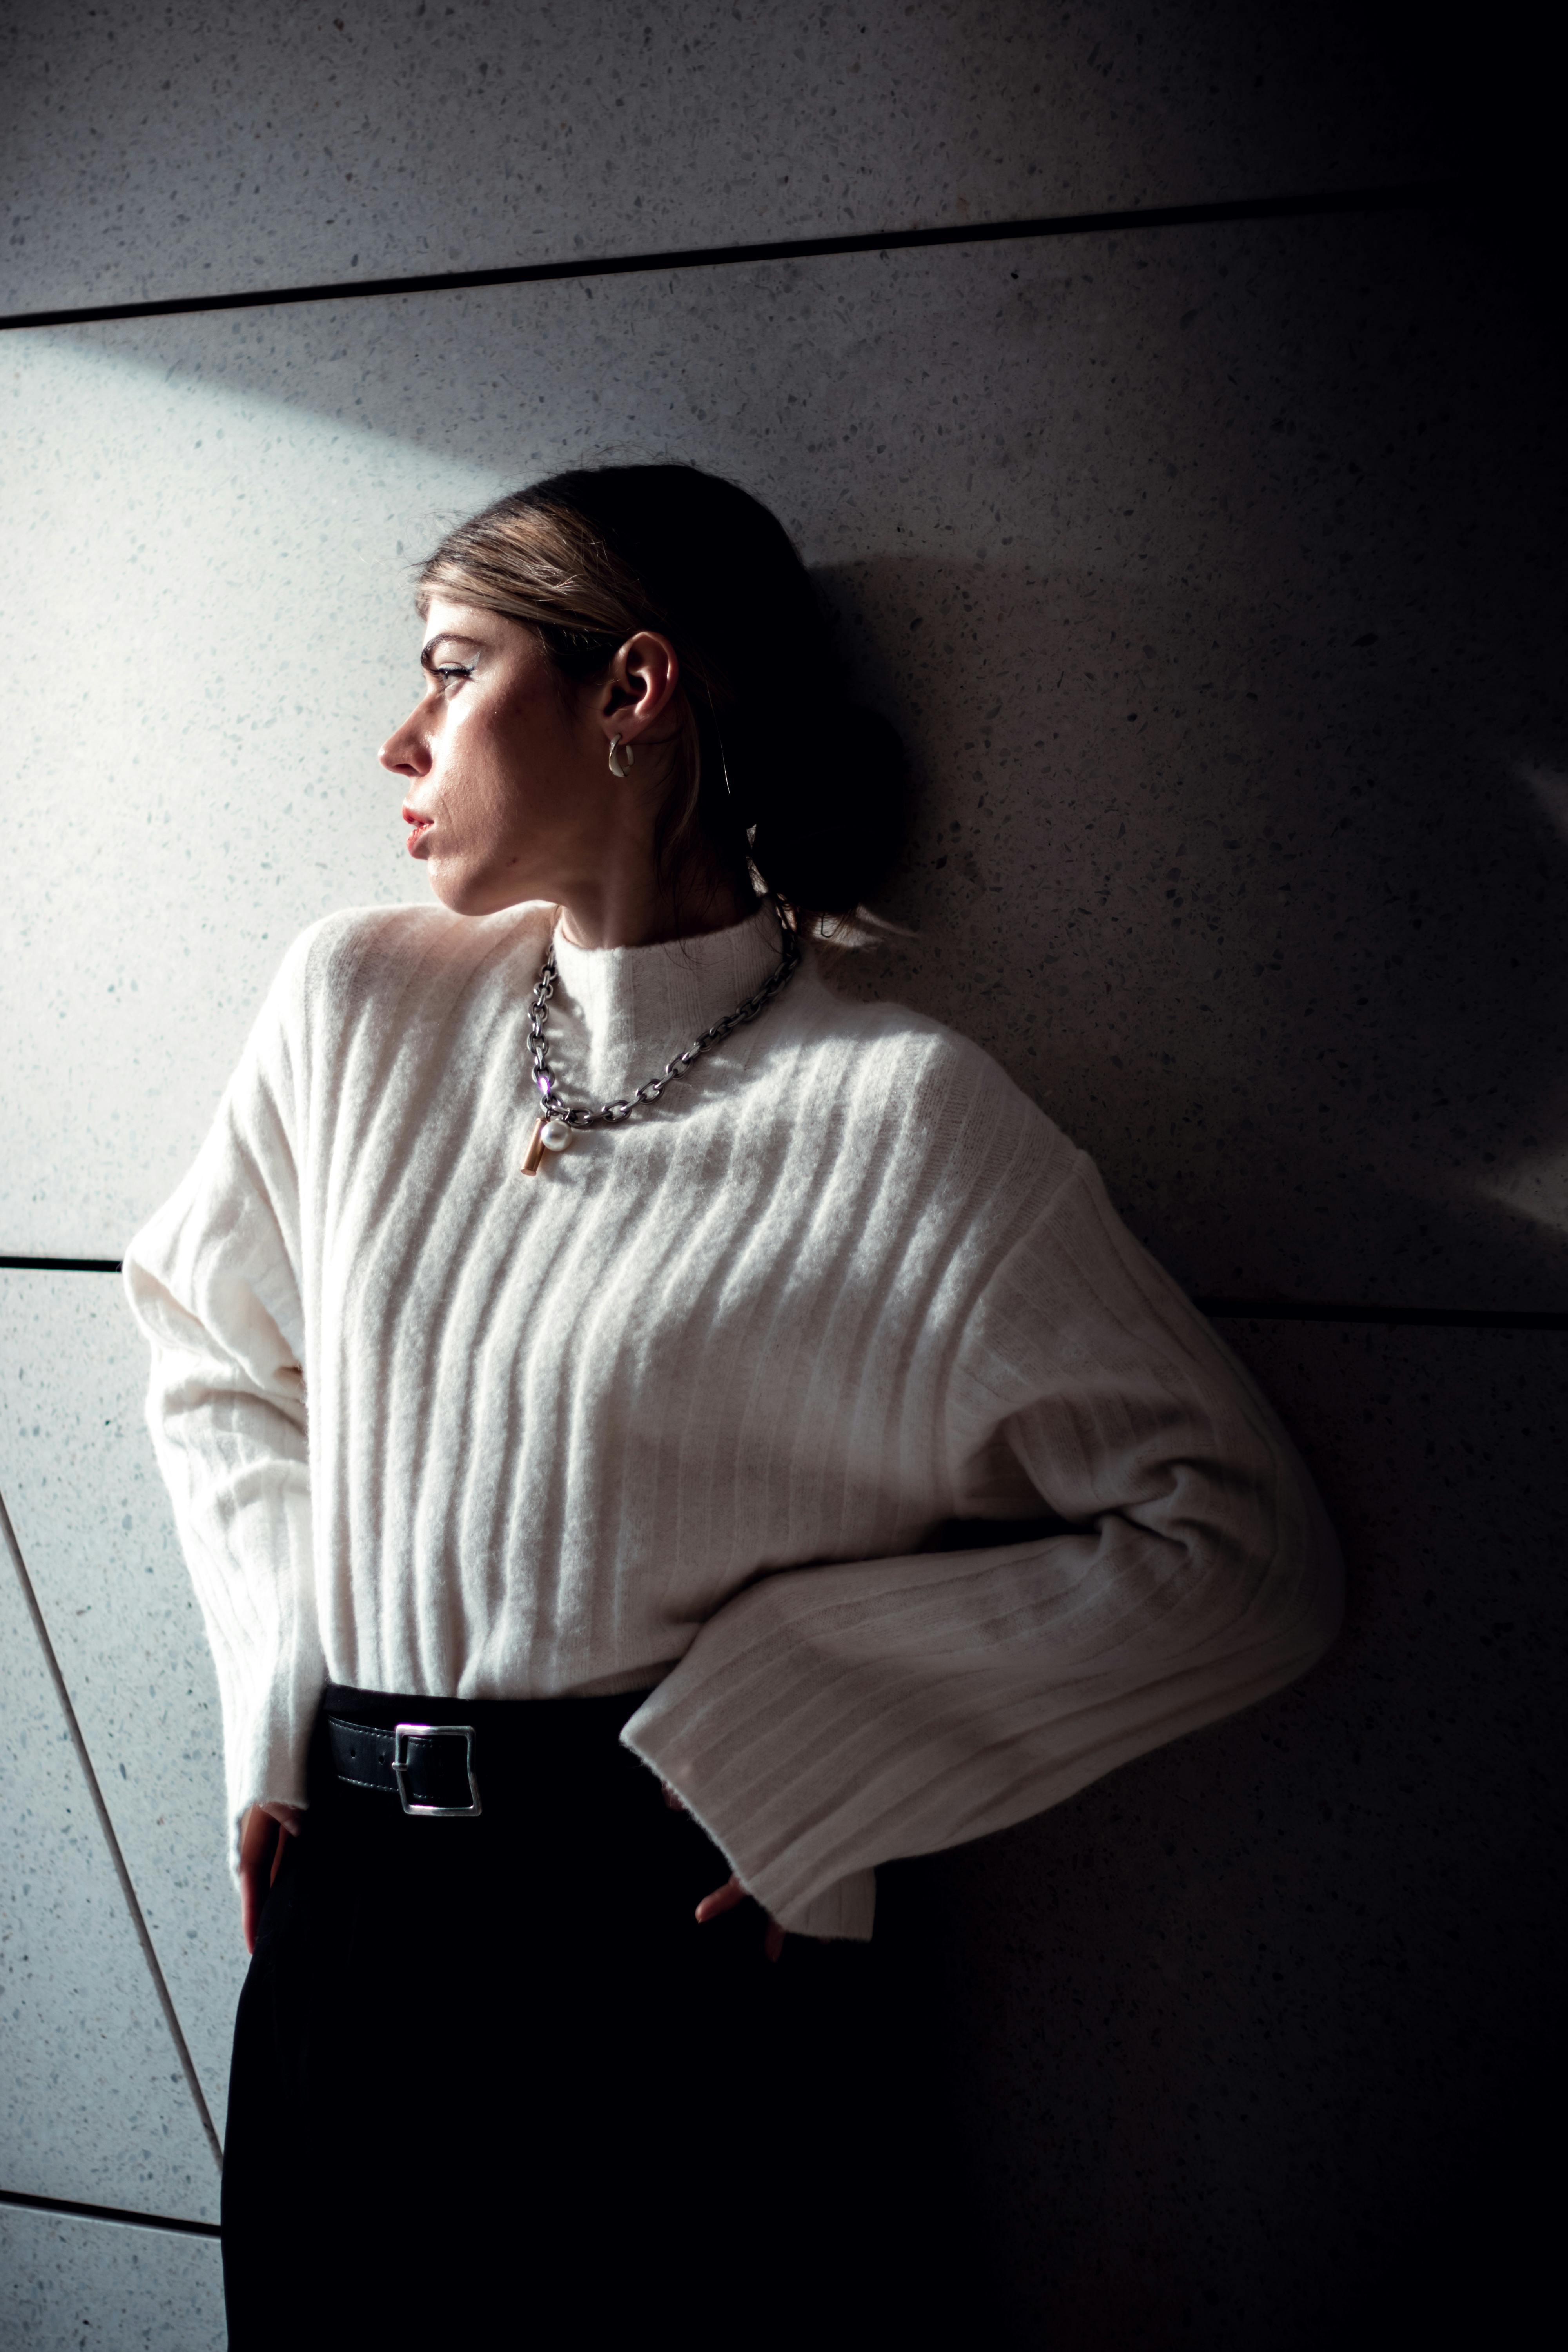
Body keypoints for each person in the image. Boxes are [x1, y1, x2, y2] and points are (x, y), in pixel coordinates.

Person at [123, 463, 1342, 2344]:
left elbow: (1235, 1548)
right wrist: (290, 1690)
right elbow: (207, 1343)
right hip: (346, 1924)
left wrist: (801, 1736)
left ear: (634, 692)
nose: (400, 734)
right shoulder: (353, 1004)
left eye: (453, 669)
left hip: (670, 1939)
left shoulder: (897, 1116)